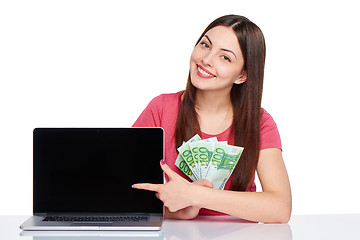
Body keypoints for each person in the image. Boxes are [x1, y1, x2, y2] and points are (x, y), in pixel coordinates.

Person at [131, 14, 292, 223]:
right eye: (205, 45)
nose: (206, 60)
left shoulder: (260, 122)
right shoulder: (161, 108)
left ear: (242, 75)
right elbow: (128, 192)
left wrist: (197, 196)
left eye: (225, 57)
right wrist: (178, 212)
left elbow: (280, 208)